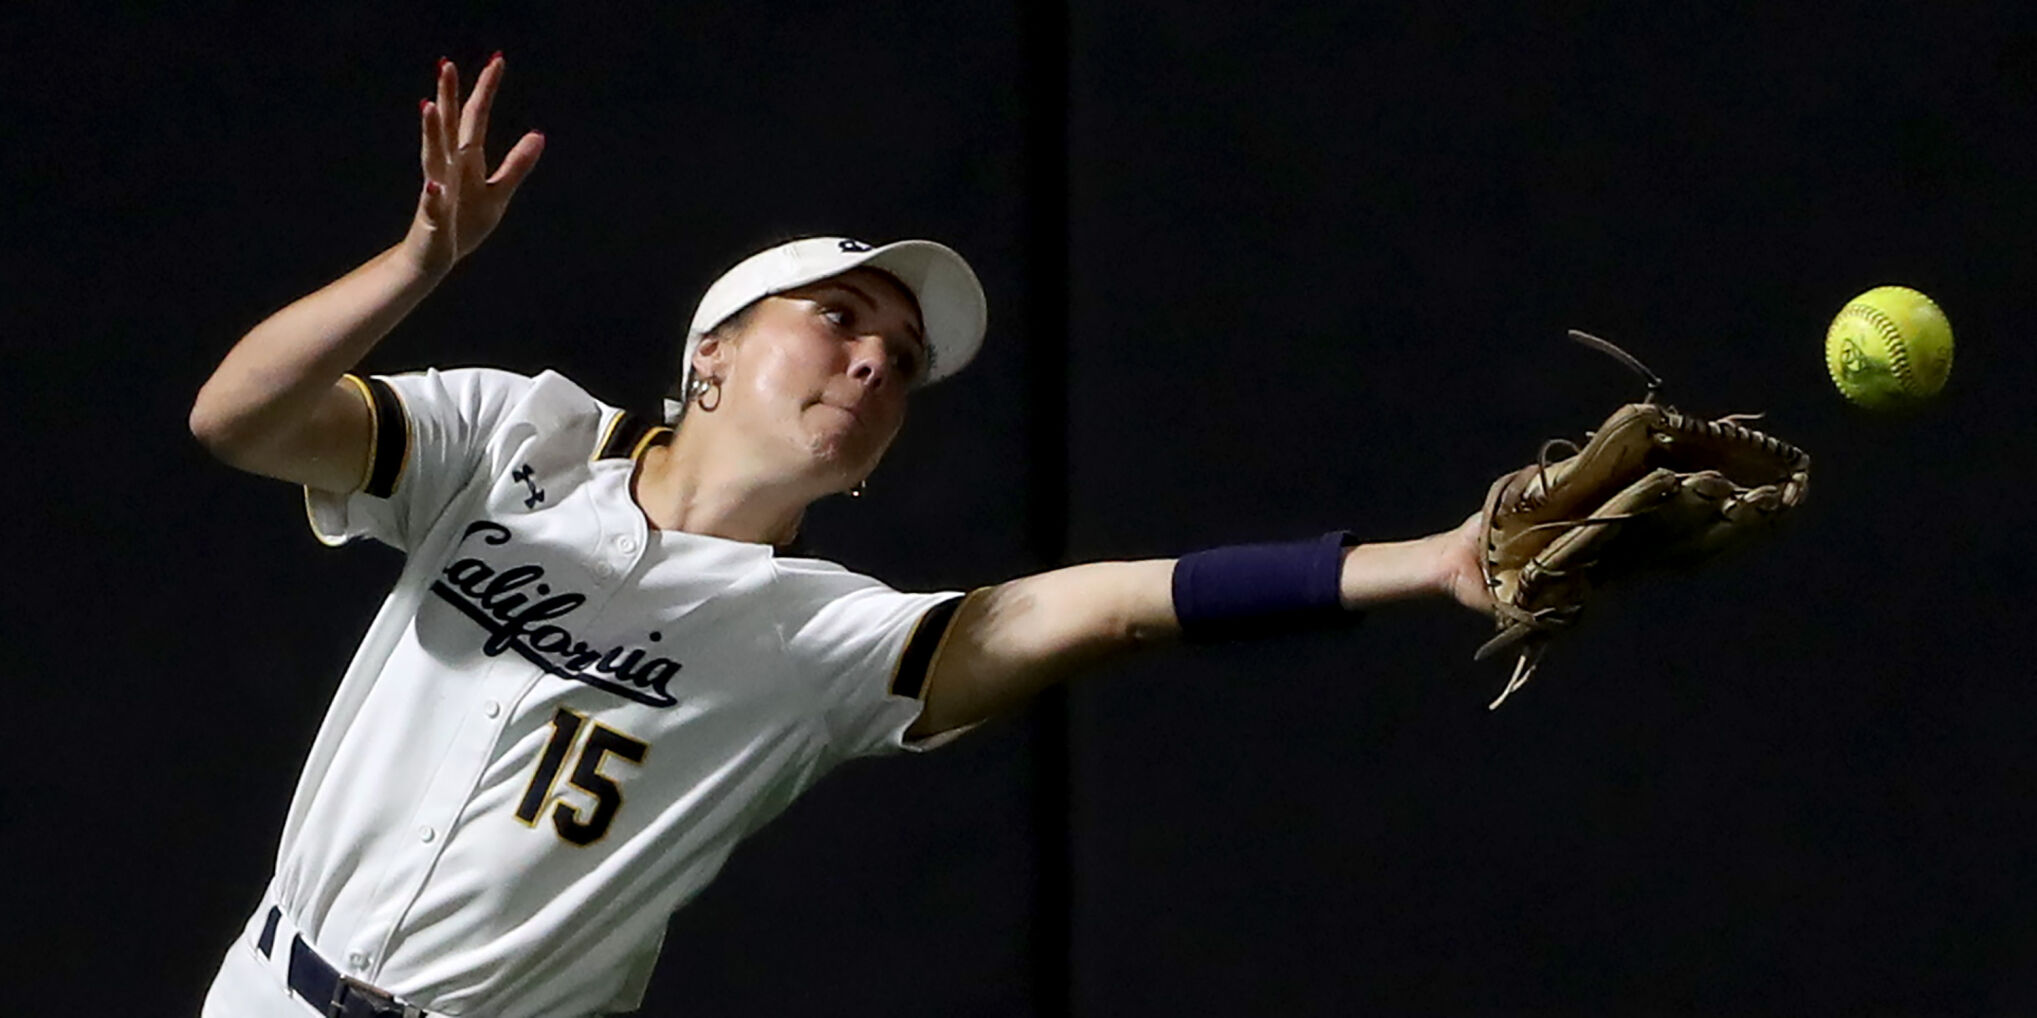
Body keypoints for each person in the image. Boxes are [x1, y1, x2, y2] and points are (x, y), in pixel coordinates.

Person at [189, 54, 1493, 1018]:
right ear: (710, 351)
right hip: (264, 985)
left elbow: (1095, 605)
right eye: (837, 318)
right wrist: (419, 260)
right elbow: (236, 420)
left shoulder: (816, 632)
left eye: (902, 359)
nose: (873, 362)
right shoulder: (511, 439)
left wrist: (1422, 562)